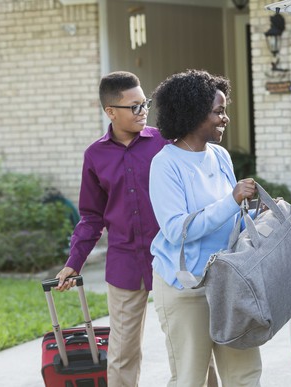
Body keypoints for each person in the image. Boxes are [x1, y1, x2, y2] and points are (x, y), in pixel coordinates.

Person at [148, 69, 262, 387]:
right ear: (194, 113)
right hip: (186, 288)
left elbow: (231, 217)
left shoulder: (220, 155)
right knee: (190, 378)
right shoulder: (165, 164)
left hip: (228, 284)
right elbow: (175, 229)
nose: (225, 118)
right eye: (218, 111)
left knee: (245, 373)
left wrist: (252, 211)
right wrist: (231, 199)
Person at [55, 71, 168, 387]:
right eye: (134, 106)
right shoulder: (95, 155)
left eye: (144, 103)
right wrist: (72, 263)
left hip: (171, 259)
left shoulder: (165, 142)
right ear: (110, 111)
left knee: (187, 347)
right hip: (124, 263)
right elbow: (91, 216)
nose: (143, 111)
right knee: (122, 353)